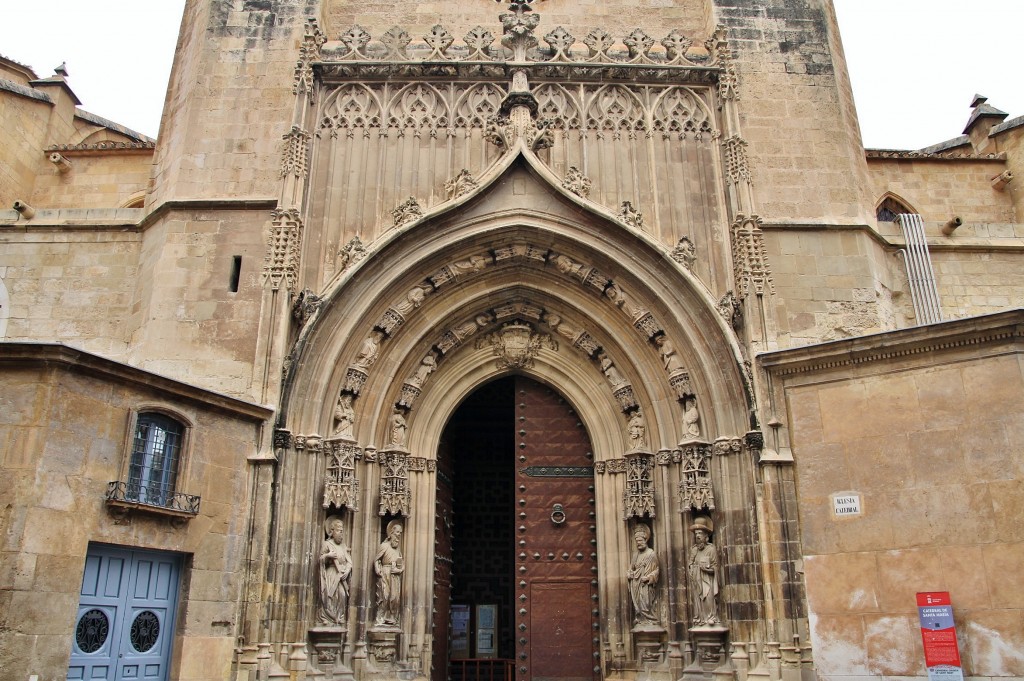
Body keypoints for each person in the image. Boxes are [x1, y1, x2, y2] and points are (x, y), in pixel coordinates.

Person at [318, 516, 352, 626]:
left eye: (342, 531)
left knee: (342, 595)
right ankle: (328, 617)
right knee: (330, 596)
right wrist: (328, 555)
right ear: (331, 531)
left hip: (341, 575)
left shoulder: (343, 546)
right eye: (338, 531)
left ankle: (339, 616)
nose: (341, 534)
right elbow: (321, 559)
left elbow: (349, 561)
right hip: (331, 574)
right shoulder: (327, 544)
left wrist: (347, 570)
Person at [687, 517, 720, 626]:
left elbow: (715, 567)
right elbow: (690, 564)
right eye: (696, 533)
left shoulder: (711, 549)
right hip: (697, 581)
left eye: (700, 533)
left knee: (708, 599)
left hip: (707, 580)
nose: (697, 536)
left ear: (706, 535)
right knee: (698, 602)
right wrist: (693, 568)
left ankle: (710, 616)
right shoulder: (694, 550)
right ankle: (700, 618)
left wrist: (708, 569)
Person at [627, 524, 660, 628]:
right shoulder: (635, 555)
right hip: (636, 585)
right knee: (638, 605)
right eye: (637, 541)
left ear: (646, 540)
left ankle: (648, 620)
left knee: (646, 604)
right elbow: (631, 569)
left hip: (646, 585)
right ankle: (641, 619)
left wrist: (648, 578)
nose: (638, 543)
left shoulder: (651, 554)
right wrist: (629, 574)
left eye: (640, 541)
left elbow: (656, 571)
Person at [374, 520, 405, 627]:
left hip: (395, 575)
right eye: (397, 533)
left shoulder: (398, 549)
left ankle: (392, 617)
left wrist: (399, 570)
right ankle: (381, 617)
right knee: (384, 595)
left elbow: (402, 563)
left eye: (400, 533)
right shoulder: (384, 546)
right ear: (391, 533)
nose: (399, 535)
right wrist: (378, 569)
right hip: (385, 573)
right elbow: (376, 559)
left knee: (395, 597)